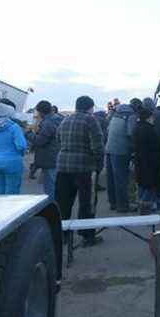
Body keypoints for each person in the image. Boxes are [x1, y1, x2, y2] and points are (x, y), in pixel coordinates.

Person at [56, 96, 104, 247]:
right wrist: (98, 164)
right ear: (90, 107)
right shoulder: (90, 120)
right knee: (86, 203)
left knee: (63, 202)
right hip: (83, 167)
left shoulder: (65, 120)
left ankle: (61, 234)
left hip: (63, 166)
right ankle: (87, 235)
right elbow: (97, 145)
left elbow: (58, 139)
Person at [104, 102, 137, 213]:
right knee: (121, 179)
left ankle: (113, 203)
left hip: (109, 148)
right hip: (121, 151)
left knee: (111, 178)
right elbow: (131, 133)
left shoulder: (115, 115)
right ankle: (123, 205)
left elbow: (108, 130)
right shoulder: (131, 116)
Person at [26, 100, 62, 199]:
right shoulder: (58, 119)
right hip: (56, 155)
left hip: (49, 157)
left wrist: (29, 134)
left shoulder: (48, 123)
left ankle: (53, 209)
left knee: (50, 188)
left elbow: (40, 141)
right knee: (54, 185)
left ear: (41, 112)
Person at [132, 106, 160, 215]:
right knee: (149, 185)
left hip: (140, 160)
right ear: (148, 118)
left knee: (141, 183)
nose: (153, 119)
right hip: (150, 161)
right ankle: (144, 207)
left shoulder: (137, 127)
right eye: (152, 117)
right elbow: (157, 145)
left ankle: (141, 204)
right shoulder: (149, 130)